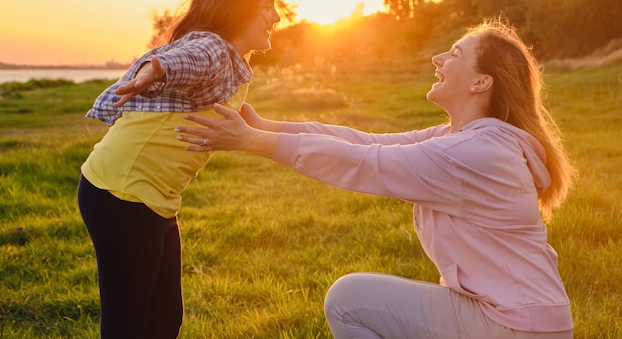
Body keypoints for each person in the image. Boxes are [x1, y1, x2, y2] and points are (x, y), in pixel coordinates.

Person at [174, 19, 577, 339]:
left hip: (512, 325)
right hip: (519, 319)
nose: (438, 58)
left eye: (454, 53)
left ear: (481, 82)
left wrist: (253, 142)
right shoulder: (460, 139)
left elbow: (365, 163)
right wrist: (268, 126)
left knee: (348, 299)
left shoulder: (475, 153)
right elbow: (363, 141)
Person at [77, 0, 280, 339]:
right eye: (267, 5)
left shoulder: (233, 67)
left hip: (152, 199)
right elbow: (189, 59)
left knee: (165, 319)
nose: (277, 16)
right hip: (120, 193)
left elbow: (222, 99)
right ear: (238, 7)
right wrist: (156, 69)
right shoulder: (214, 48)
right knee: (129, 324)